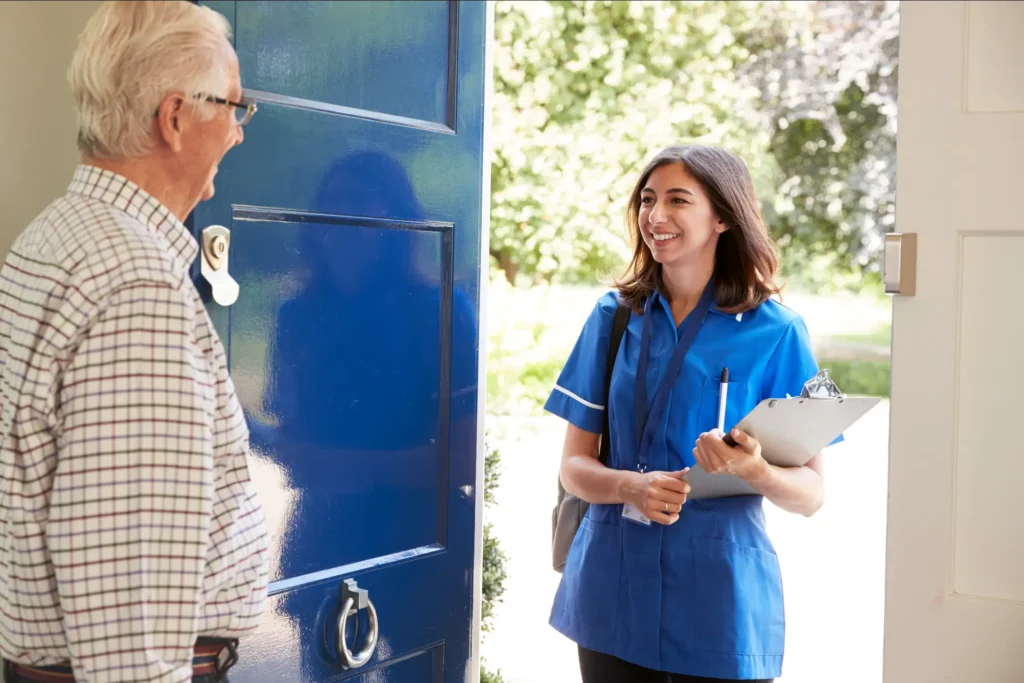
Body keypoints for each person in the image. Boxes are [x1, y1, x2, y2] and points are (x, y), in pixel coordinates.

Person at [0, 2, 268, 682]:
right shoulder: (138, 286)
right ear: (175, 118)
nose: (238, 134)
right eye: (235, 107)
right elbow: (128, 582)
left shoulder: (55, 236)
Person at [545, 144, 836, 683]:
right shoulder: (612, 318)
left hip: (718, 601)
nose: (655, 217)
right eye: (647, 200)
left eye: (678, 200)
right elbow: (574, 467)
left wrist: (757, 471)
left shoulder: (780, 331)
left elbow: (813, 495)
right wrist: (630, 487)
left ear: (723, 216)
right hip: (612, 592)